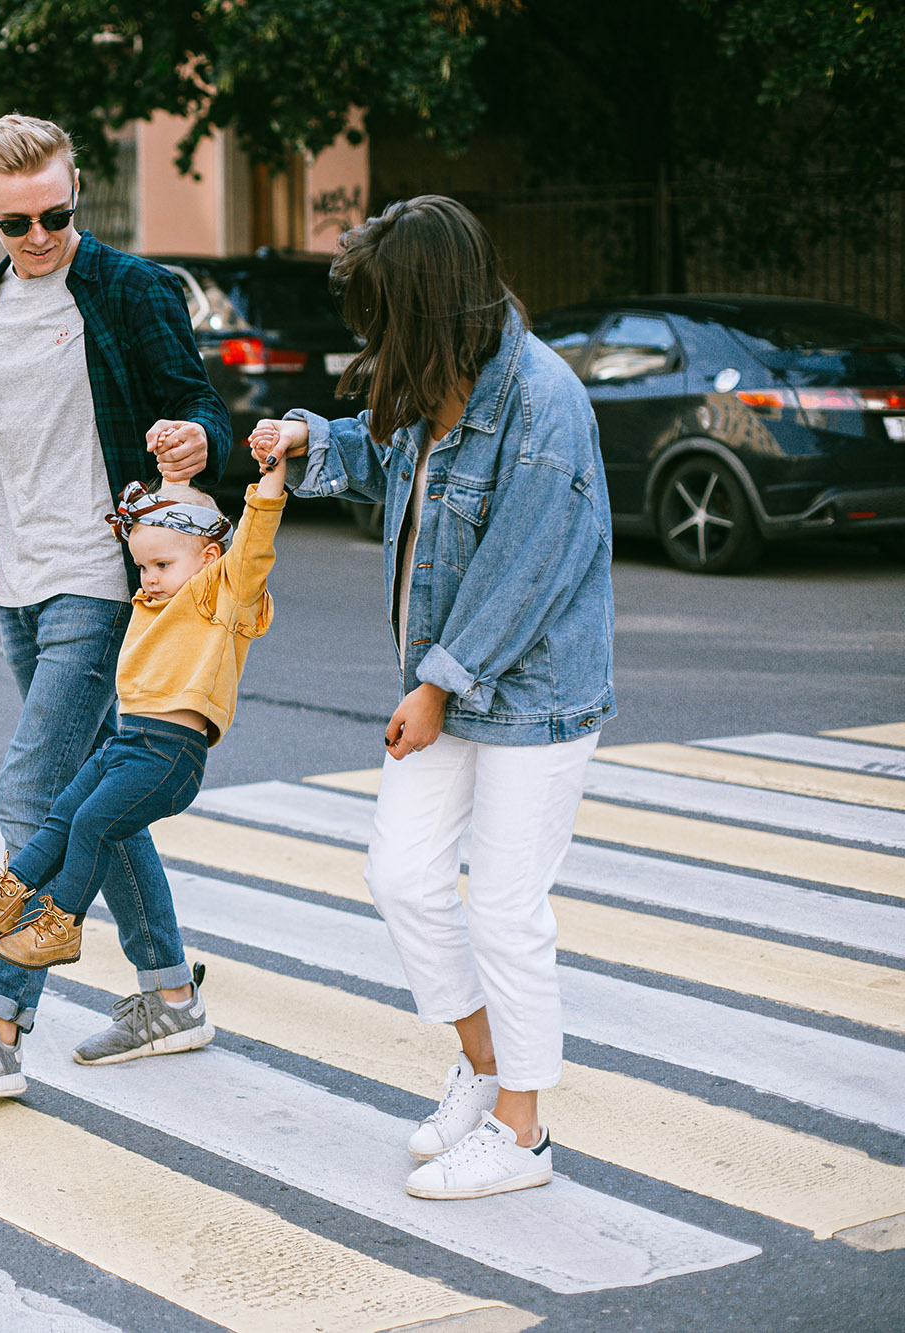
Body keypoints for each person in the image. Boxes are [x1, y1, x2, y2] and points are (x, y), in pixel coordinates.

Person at [246, 194, 615, 1200]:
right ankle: (484, 1061)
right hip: (443, 683)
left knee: (502, 908)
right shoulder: (428, 373)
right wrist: (302, 440)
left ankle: (522, 1133)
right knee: (400, 876)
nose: (369, 336)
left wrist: (438, 686)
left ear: (419, 303)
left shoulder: (539, 403)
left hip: (530, 692)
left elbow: (526, 569)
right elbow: (380, 460)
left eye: (379, 314)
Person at [0, 113, 231, 1099]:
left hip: (102, 577)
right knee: (95, 798)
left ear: (77, 198)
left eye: (55, 215)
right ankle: (167, 994)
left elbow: (201, 405)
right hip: (17, 583)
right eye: (16, 221)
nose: (38, 237)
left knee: (32, 795)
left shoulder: (127, 289)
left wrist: (194, 439)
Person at [0, 468, 283, 990]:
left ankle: (61, 925)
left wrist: (272, 475)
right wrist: (164, 486)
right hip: (128, 745)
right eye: (143, 566)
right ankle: (11, 890)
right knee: (65, 810)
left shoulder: (221, 600)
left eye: (162, 565)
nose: (148, 577)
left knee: (93, 826)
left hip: (170, 756)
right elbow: (158, 535)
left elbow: (256, 540)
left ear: (210, 559)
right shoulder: (150, 604)